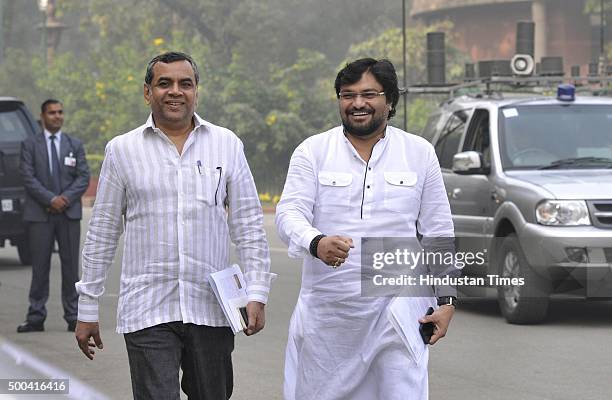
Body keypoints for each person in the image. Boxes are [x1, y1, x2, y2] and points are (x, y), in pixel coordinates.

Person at [74, 51, 274, 400]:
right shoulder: (122, 150)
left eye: (185, 83)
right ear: (147, 92)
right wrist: (87, 307)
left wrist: (257, 292)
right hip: (147, 307)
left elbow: (249, 224)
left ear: (197, 91)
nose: (175, 91)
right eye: (164, 83)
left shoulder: (227, 144)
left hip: (211, 307)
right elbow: (103, 231)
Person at [276, 58, 457, 400]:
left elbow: (438, 232)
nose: (357, 103)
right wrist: (316, 242)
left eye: (368, 94)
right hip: (329, 317)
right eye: (348, 95)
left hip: (398, 313)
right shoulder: (313, 151)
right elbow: (289, 214)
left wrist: (446, 301)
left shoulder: (419, 152)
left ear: (390, 101)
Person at [17, 99, 90, 333]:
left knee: (71, 268)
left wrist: (64, 199)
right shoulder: (30, 144)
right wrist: (51, 199)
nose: (57, 116)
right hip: (40, 216)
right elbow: (28, 177)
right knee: (40, 268)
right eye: (52, 113)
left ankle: (73, 316)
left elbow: (83, 177)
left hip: (68, 215)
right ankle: (36, 317)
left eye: (60, 112)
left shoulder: (74, 144)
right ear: (42, 116)